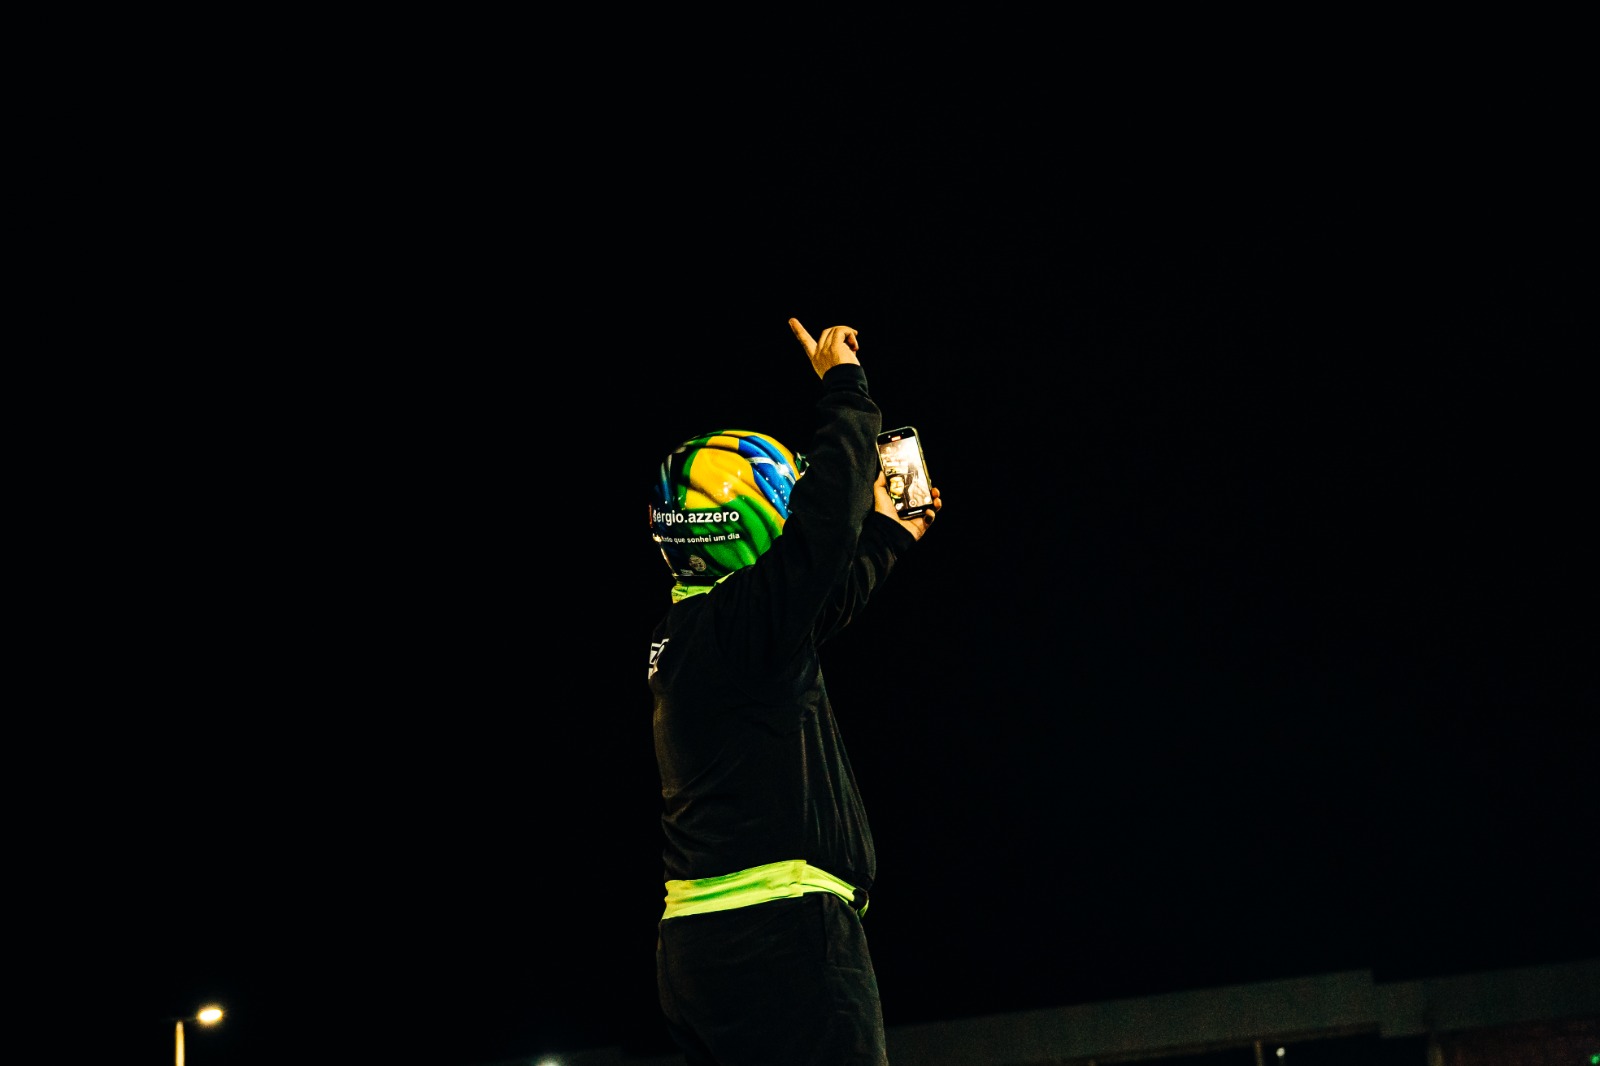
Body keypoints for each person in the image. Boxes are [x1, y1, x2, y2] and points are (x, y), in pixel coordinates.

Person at [647, 317, 943, 1065]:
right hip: (780, 938)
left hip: (702, 949)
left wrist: (888, 539)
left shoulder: (694, 632)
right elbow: (822, 532)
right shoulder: (740, 625)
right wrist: (845, 388)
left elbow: (816, 599)